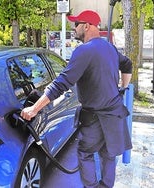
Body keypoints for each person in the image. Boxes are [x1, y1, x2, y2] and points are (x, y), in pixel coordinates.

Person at [21, 10, 133, 188]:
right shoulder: (109, 48)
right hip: (114, 114)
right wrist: (123, 88)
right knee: (108, 155)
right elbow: (127, 64)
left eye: (76, 25)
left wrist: (34, 108)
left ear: (86, 26)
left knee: (85, 153)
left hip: (95, 117)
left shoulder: (84, 51)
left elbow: (61, 83)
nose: (74, 29)